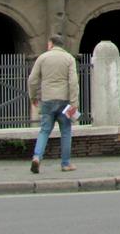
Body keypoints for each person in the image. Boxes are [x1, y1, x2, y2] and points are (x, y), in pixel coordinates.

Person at [27, 34, 79, 174]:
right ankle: (66, 164)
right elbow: (73, 82)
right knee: (66, 131)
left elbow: (32, 80)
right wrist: (74, 102)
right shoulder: (69, 58)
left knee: (44, 130)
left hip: (47, 100)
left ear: (51, 44)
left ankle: (37, 157)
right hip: (64, 101)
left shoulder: (42, 58)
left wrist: (33, 97)